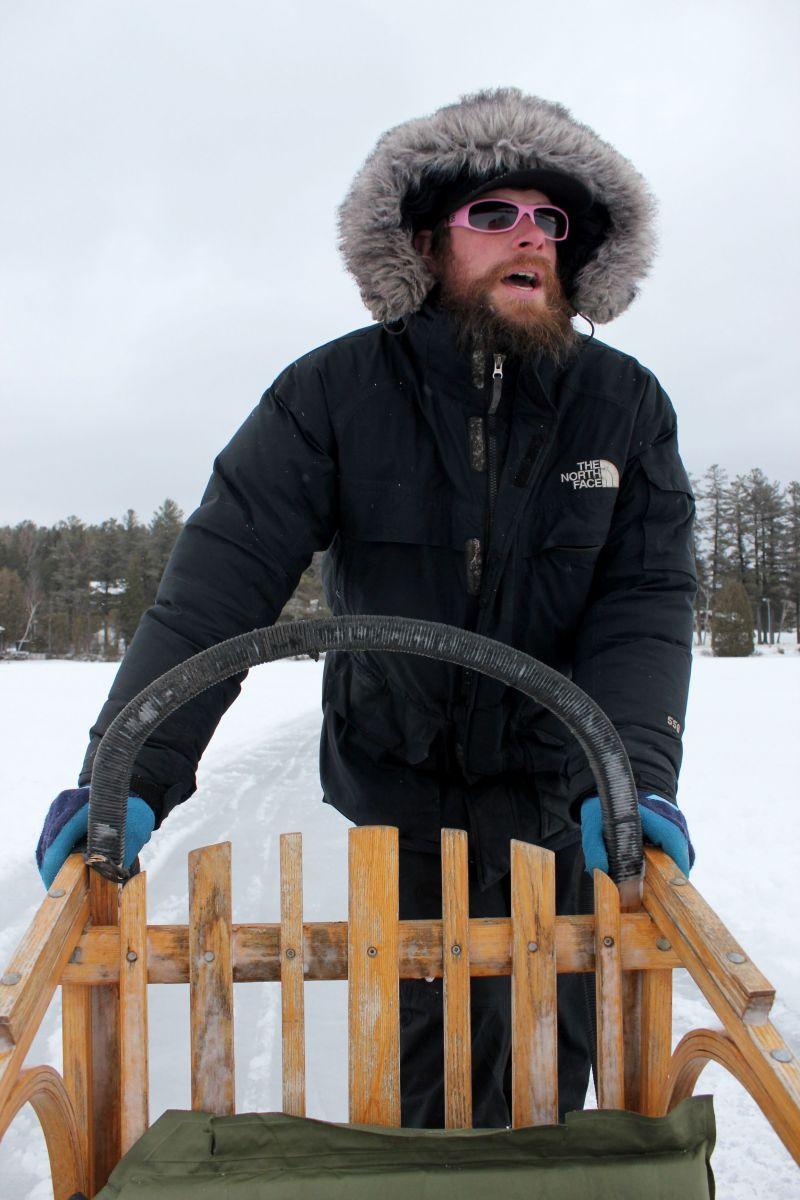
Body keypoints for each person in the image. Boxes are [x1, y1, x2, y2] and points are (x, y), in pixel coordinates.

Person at [36, 88, 696, 1127]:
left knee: (552, 1060)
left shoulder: (621, 405)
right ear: (428, 243)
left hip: (558, 796)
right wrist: (127, 769)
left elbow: (644, 599)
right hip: (398, 796)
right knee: (423, 1057)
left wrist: (633, 778)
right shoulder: (332, 393)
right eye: (494, 215)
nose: (530, 234)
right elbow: (219, 582)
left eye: (549, 220)